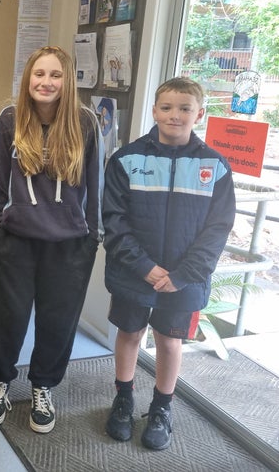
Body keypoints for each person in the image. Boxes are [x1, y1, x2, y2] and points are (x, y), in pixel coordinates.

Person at [102, 77, 235, 450]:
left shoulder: (215, 166)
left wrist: (185, 275)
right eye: (166, 107)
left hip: (183, 278)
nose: (175, 115)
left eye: (184, 108)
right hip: (133, 272)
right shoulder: (126, 159)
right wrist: (143, 266)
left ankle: (161, 408)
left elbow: (218, 228)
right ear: (154, 111)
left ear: (199, 114)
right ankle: (123, 399)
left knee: (170, 341)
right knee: (129, 334)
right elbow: (113, 220)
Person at [0, 45, 104, 433]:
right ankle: (1, 381)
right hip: (16, 239)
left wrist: (93, 236)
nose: (46, 82)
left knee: (58, 320)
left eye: (55, 75)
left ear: (67, 81)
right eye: (39, 74)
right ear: (28, 78)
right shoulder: (9, 119)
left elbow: (96, 183)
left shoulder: (86, 122)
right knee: (8, 318)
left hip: (70, 243)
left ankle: (43, 386)